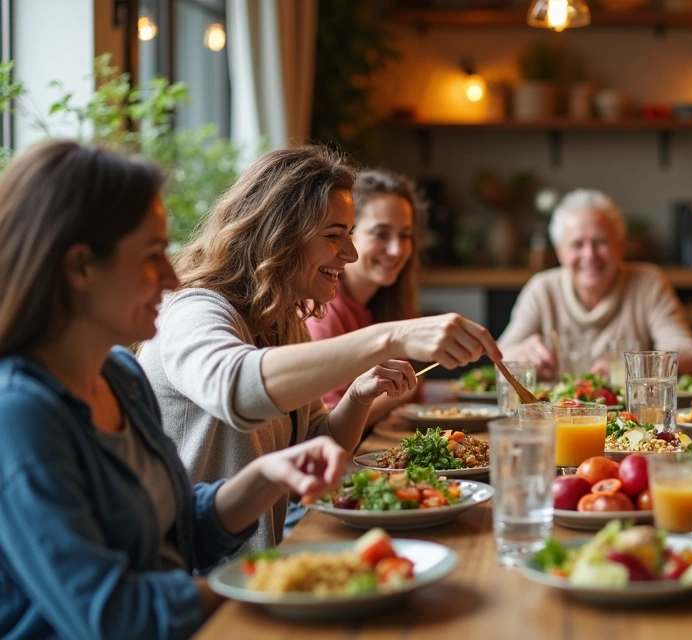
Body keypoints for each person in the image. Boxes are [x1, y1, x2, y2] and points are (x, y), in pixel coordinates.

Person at [0, 140, 356, 639]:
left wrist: (266, 477)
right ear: (81, 267)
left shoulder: (121, 377)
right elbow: (117, 618)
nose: (172, 276)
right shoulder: (20, 417)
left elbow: (178, 532)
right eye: (151, 256)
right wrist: (282, 580)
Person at [138, 146, 501, 551]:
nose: (351, 254)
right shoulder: (195, 309)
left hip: (257, 562)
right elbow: (238, 388)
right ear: (279, 236)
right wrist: (390, 337)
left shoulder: (284, 320)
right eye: (334, 237)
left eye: (349, 235)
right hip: (191, 576)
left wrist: (359, 396)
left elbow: (314, 442)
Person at [498, 188, 692, 380]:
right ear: (560, 252)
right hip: (556, 417)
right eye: (577, 244)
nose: (589, 255)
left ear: (619, 246)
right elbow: (500, 356)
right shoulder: (542, 289)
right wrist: (520, 355)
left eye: (600, 242)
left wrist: (632, 368)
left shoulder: (648, 283)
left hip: (631, 418)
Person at [306, 169, 425, 423]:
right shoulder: (322, 312)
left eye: (405, 235)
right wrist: (404, 393)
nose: (396, 249)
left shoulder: (385, 304)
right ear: (348, 233)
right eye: (381, 234)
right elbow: (325, 422)